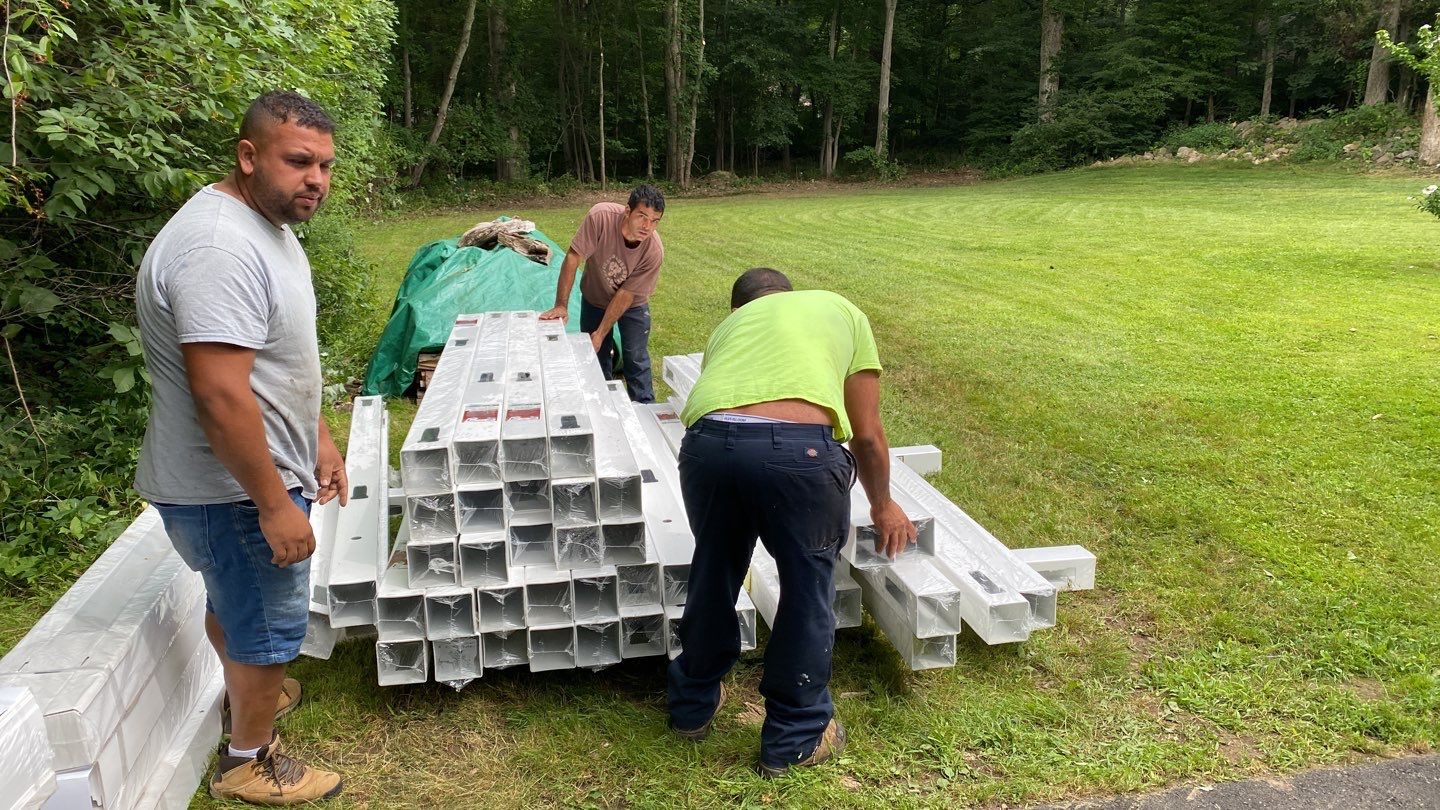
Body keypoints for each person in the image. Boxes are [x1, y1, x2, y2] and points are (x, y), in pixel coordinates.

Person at [134, 90, 347, 805]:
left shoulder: (265, 227)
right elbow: (221, 395)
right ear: (248, 155)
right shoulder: (218, 247)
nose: (315, 178)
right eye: (298, 161)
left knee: (239, 604)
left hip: (249, 480)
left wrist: (316, 436)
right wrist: (271, 504)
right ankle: (249, 760)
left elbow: (275, 360)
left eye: (324, 164)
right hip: (234, 488)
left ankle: (251, 691)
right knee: (269, 625)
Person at [666, 268, 916, 778]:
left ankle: (691, 705)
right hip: (798, 454)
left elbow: (729, 407)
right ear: (791, 295)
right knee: (806, 589)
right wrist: (883, 504)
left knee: (715, 570)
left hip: (708, 447)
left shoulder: (728, 329)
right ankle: (795, 736)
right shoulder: (841, 309)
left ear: (739, 309)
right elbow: (866, 434)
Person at [539, 184, 665, 402]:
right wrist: (561, 305)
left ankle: (645, 409)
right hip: (594, 297)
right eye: (642, 216)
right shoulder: (601, 217)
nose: (647, 226)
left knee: (635, 357)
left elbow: (626, 294)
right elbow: (573, 257)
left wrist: (601, 332)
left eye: (654, 220)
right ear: (628, 211)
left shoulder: (653, 250)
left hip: (632, 304)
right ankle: (601, 403)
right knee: (595, 355)